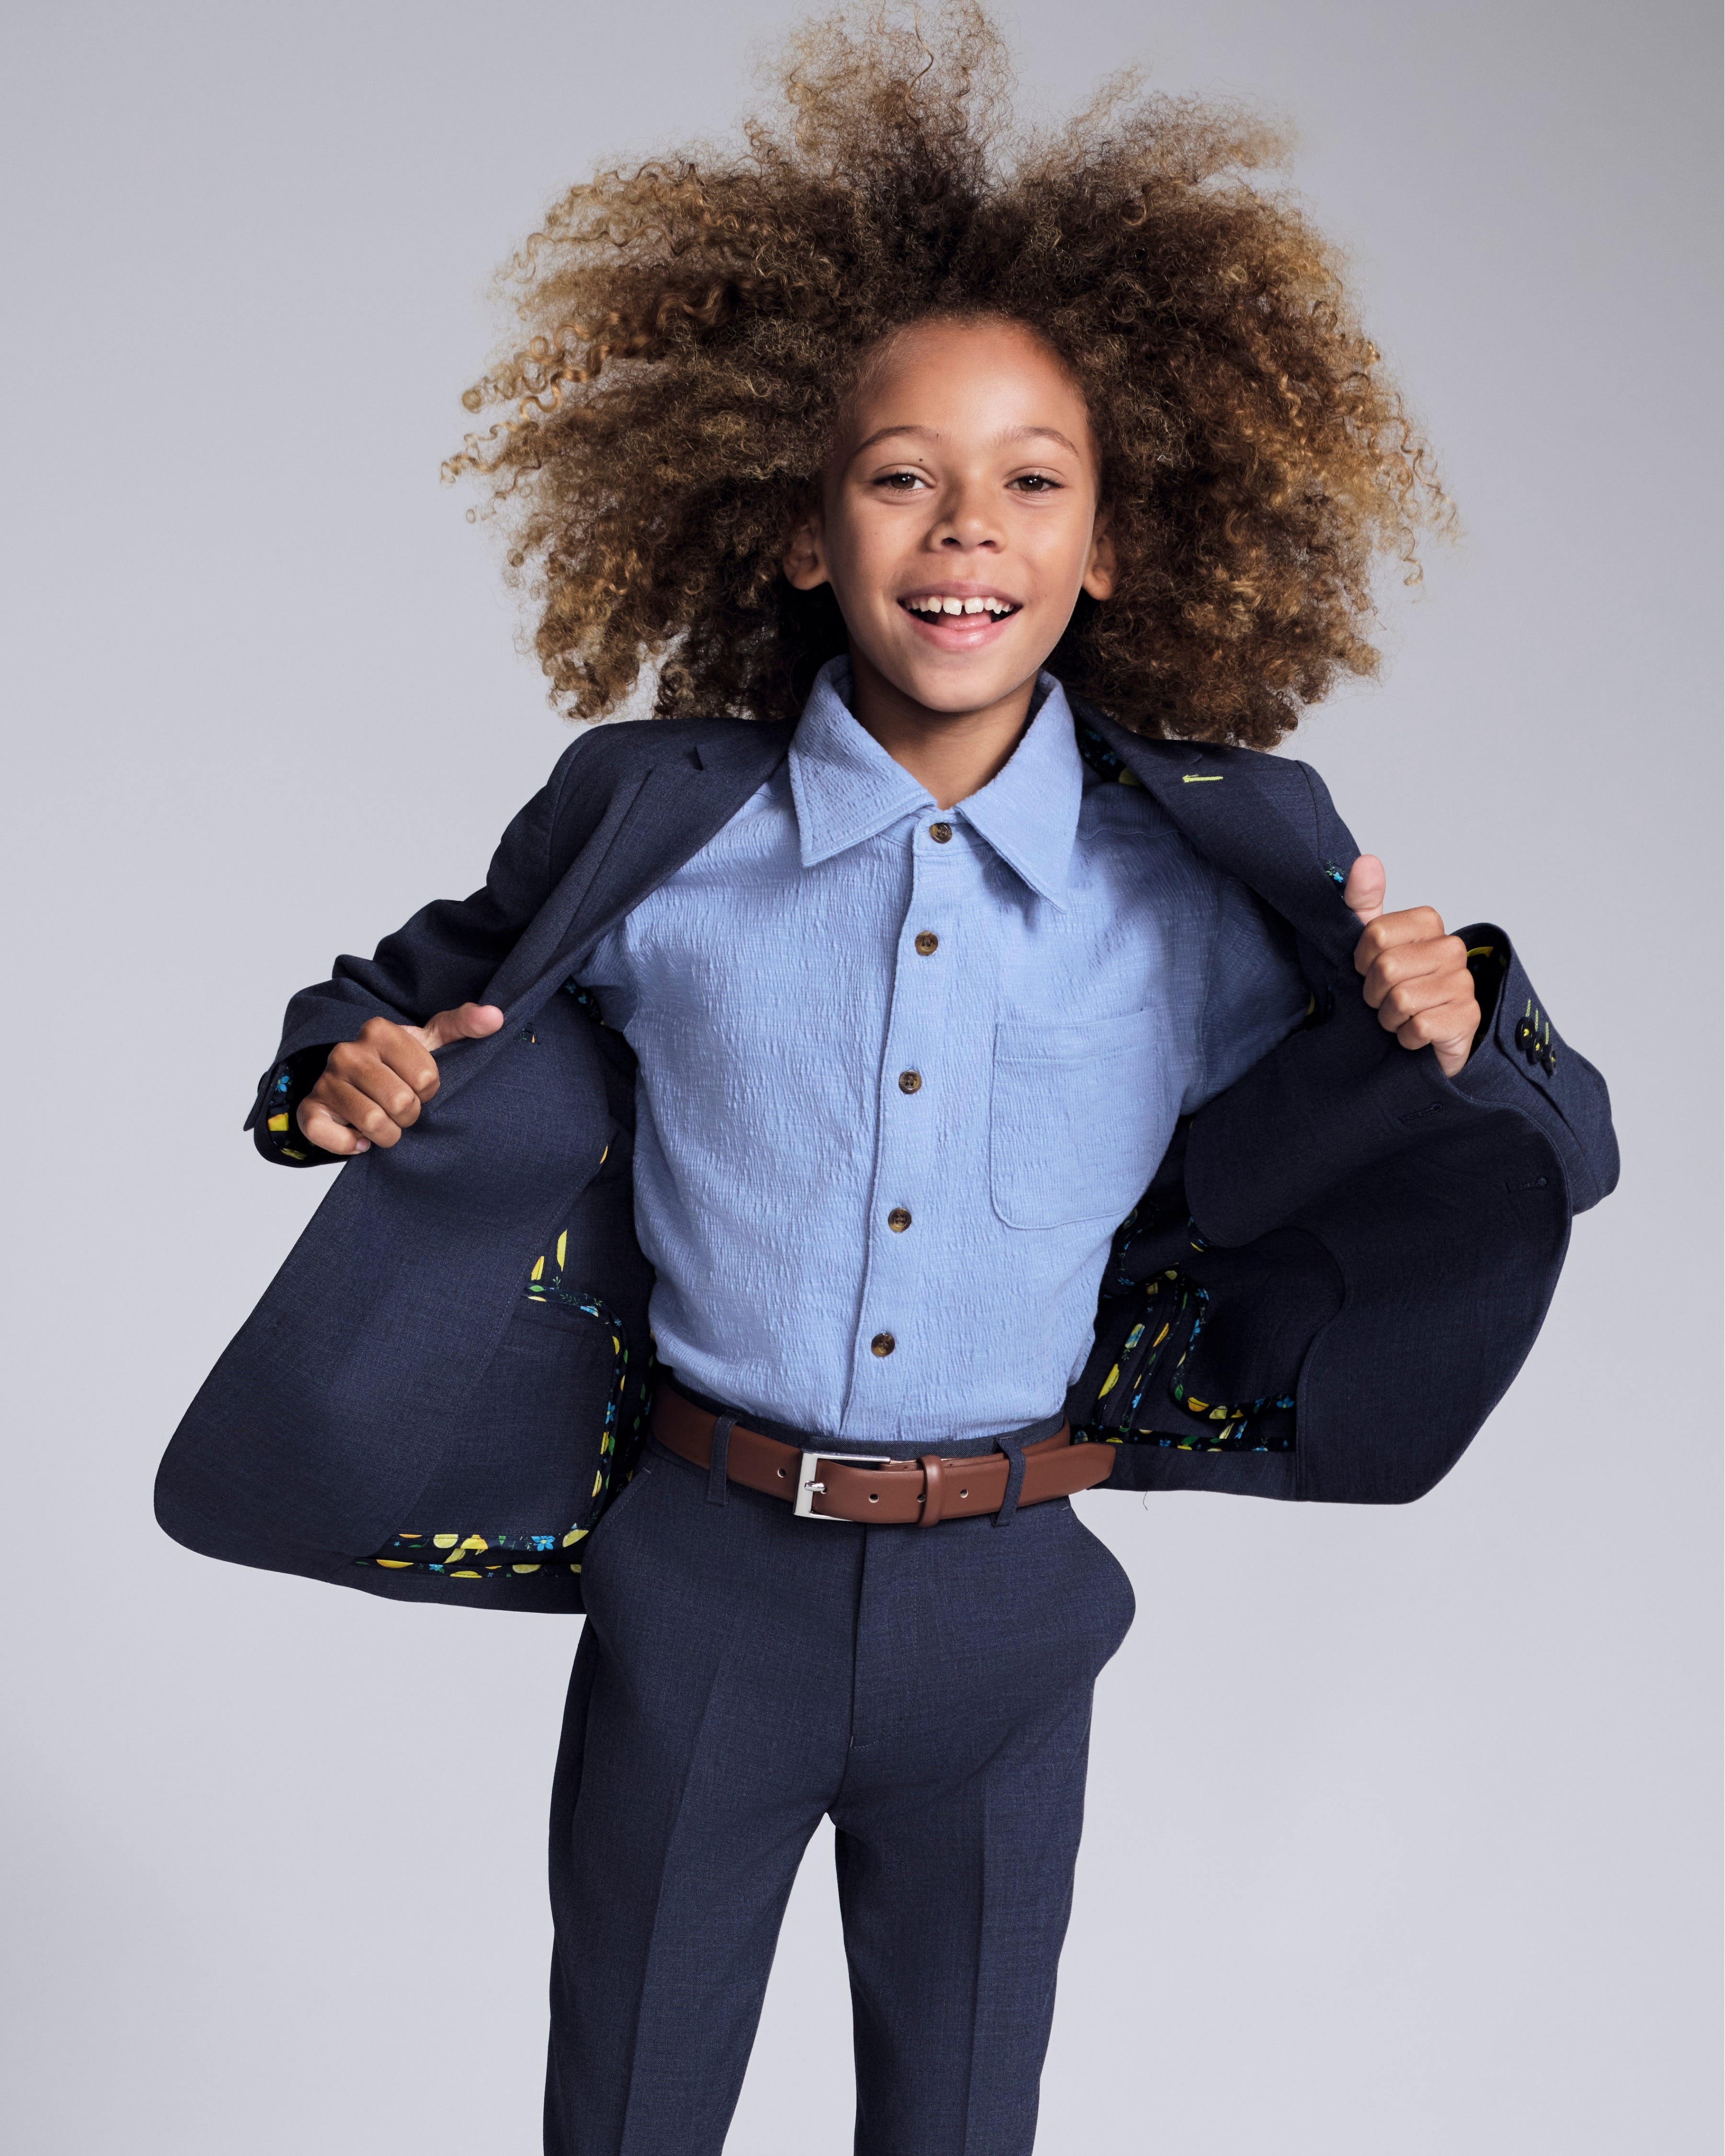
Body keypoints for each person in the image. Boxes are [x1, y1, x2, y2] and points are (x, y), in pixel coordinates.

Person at [157, 12, 1618, 2153]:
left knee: (963, 2125)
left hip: (1012, 1606)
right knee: (628, 2114)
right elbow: (368, 1011)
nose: (968, 529)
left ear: (1119, 541)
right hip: (705, 1581)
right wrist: (339, 1084)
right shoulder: (656, 827)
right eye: (901, 472)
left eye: (1036, 480)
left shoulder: (1210, 882)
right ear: (795, 523)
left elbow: (1551, 1151)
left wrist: (1462, 1007)